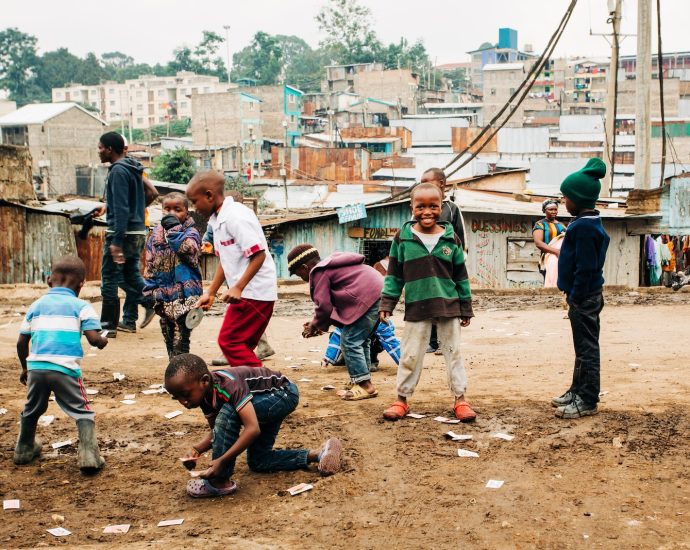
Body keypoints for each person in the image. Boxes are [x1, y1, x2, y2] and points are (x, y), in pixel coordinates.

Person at [164, 354, 343, 498]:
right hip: (265, 400)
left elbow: (252, 429)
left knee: (230, 412)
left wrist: (222, 461)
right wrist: (197, 449)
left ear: (204, 381)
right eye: (176, 397)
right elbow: (217, 432)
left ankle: (220, 481)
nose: (183, 402)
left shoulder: (228, 385)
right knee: (258, 460)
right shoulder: (204, 396)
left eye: (185, 394)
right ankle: (320, 453)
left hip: (283, 393)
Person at [379, 182, 476, 422]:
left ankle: (460, 399)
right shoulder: (403, 237)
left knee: (453, 353)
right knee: (410, 354)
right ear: (411, 206)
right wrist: (387, 304)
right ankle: (401, 400)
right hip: (417, 306)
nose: (427, 212)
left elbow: (460, 277)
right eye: (420, 206)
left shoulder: (450, 237)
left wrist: (466, 307)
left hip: (449, 305)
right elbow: (394, 275)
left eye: (433, 206)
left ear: (441, 207)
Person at [14, 256, 108, 472]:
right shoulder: (82, 307)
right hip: (65, 369)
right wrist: (103, 341)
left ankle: (23, 449)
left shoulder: (35, 306)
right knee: (82, 411)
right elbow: (94, 339)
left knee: (32, 409)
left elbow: (21, 341)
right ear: (82, 283)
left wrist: (25, 368)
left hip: (37, 367)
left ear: (49, 280)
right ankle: (89, 456)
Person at [187, 171, 277, 367]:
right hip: (247, 293)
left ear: (210, 196)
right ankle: (250, 384)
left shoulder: (235, 216)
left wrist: (238, 287)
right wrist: (211, 292)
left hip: (255, 293)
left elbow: (258, 254)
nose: (194, 208)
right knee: (242, 346)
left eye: (195, 202)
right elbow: (224, 261)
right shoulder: (217, 220)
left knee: (229, 341)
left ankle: (263, 382)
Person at [553, 158, 610, 419]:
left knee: (587, 349)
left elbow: (586, 269)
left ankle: (587, 400)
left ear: (578, 198)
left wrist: (575, 296)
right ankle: (577, 390)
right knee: (582, 347)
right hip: (583, 296)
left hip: (584, 297)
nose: (564, 202)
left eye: (566, 197)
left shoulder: (585, 227)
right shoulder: (585, 223)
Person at [288, 244, 381, 401]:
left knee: (350, 341)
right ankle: (360, 379)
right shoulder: (331, 266)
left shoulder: (318, 272)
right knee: (361, 340)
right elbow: (339, 305)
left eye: (299, 274)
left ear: (305, 267)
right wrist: (319, 324)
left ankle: (365, 386)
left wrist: (314, 325)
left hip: (367, 298)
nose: (302, 278)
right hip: (377, 293)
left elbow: (324, 306)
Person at [97, 131, 155, 336]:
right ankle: (149, 301)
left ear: (110, 149)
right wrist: (137, 214)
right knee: (130, 274)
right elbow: (152, 193)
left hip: (122, 233)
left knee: (110, 279)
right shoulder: (133, 168)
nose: (99, 152)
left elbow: (121, 208)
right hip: (137, 230)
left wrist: (116, 241)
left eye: (101, 148)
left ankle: (108, 326)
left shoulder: (118, 172)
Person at [143, 192, 203, 357]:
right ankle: (175, 373)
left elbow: (188, 251)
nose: (172, 214)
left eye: (177, 210)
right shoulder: (155, 233)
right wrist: (150, 290)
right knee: (169, 337)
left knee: (181, 339)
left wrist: (174, 230)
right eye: (167, 209)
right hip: (163, 295)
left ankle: (183, 374)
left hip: (185, 295)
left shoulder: (191, 232)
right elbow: (150, 263)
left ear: (186, 213)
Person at [419, 168, 467, 354]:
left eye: (427, 182)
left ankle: (446, 342)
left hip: (447, 266)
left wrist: (458, 266)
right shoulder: (418, 208)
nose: (422, 186)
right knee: (428, 303)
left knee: (447, 303)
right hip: (424, 265)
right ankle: (432, 341)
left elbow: (460, 240)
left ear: (441, 184)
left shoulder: (451, 209)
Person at [533, 198, 566, 280]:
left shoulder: (561, 225)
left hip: (562, 257)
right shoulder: (540, 224)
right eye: (550, 209)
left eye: (555, 209)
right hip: (549, 258)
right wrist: (556, 252)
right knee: (550, 281)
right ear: (544, 210)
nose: (554, 212)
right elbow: (538, 243)